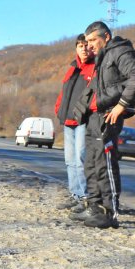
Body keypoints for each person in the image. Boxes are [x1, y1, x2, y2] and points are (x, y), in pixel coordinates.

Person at [71, 21, 135, 229]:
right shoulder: (102, 59)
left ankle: (110, 212)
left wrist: (121, 105)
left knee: (105, 163)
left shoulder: (121, 51)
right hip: (95, 117)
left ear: (106, 36)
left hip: (109, 116)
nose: (89, 46)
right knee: (92, 162)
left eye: (93, 40)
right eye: (86, 42)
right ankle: (95, 206)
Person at [54, 34, 94, 214]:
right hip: (67, 120)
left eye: (86, 45)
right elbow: (64, 92)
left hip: (82, 121)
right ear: (76, 48)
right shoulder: (72, 68)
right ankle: (75, 195)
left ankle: (85, 197)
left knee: (80, 159)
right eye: (80, 46)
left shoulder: (95, 67)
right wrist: (58, 109)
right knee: (69, 161)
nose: (84, 49)